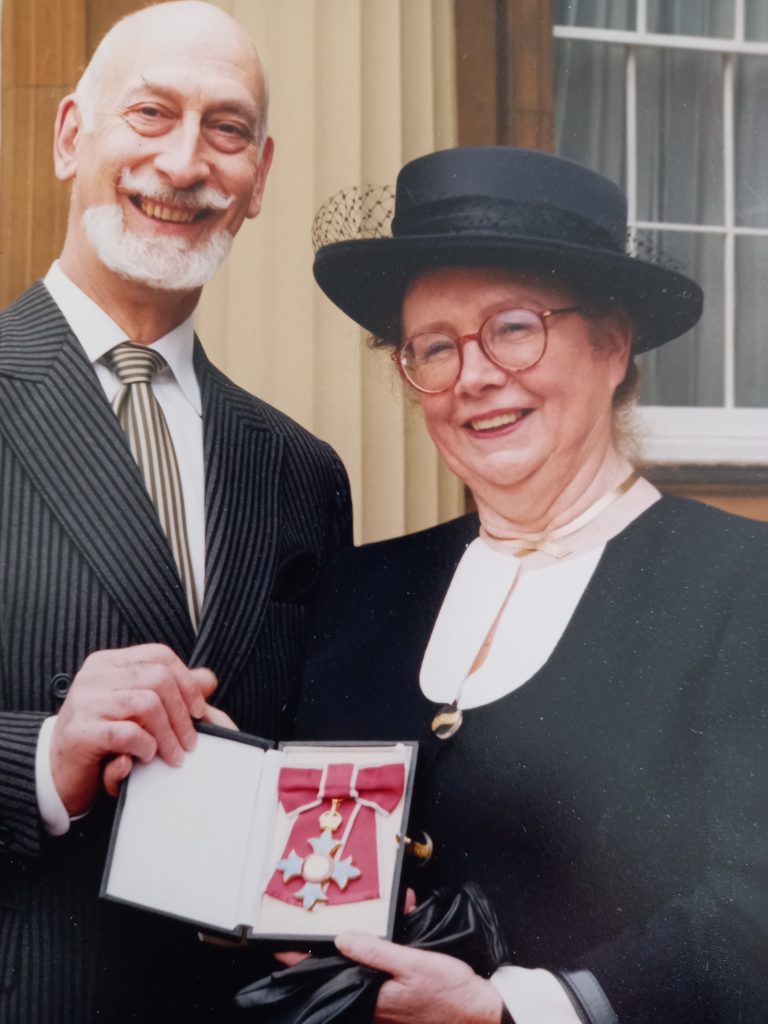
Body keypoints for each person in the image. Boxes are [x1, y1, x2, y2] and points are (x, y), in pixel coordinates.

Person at [294, 146, 768, 1023]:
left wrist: (517, 1009)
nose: (473, 376)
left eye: (514, 327)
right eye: (433, 346)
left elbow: (753, 915)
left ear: (614, 344)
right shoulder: (359, 590)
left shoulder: (744, 588)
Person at [0, 3, 351, 1021]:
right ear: (74, 135)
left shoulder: (300, 470)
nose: (186, 161)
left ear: (259, 178)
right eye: (151, 113)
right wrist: (44, 755)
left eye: (226, 129)